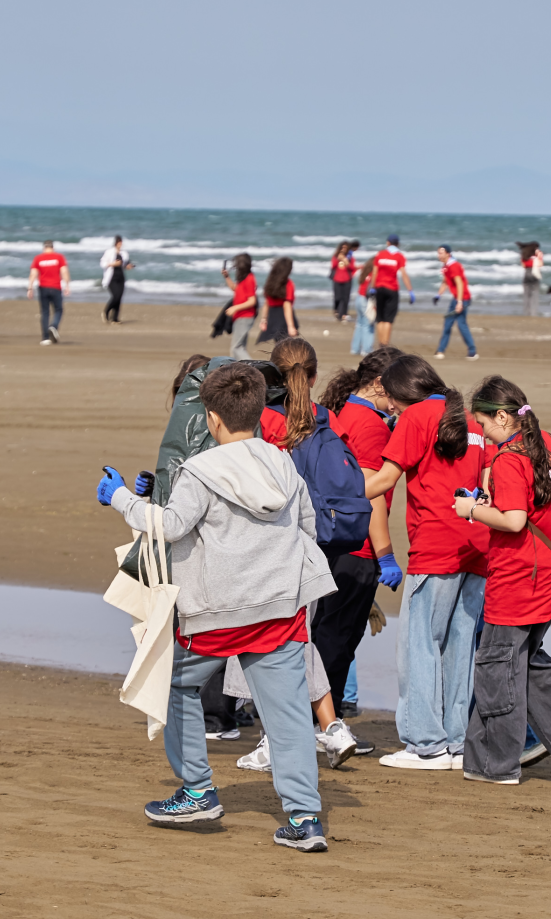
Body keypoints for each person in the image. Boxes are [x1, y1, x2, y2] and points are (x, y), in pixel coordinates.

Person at [97, 362, 336, 852]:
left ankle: (198, 790)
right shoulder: (281, 460)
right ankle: (306, 818)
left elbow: (169, 525)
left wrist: (120, 498)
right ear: (257, 412)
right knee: (289, 714)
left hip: (218, 611)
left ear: (211, 418)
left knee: (171, 683)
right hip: (279, 606)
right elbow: (308, 526)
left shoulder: (200, 470)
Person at [455, 375, 551, 784]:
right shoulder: (547, 443)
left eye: (485, 425)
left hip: (519, 580)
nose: (483, 435)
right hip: (549, 576)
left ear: (503, 418)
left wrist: (469, 509)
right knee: (525, 663)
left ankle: (494, 764)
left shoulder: (510, 458)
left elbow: (514, 520)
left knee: (496, 671)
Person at [232, 338, 361, 771]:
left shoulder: (266, 421)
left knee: (266, 646)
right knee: (295, 641)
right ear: (314, 375)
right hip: (313, 549)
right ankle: (328, 726)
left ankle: (286, 737)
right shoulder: (328, 420)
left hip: (270, 549)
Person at [363, 354, 490, 769]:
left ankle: (425, 743)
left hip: (435, 545)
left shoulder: (416, 417)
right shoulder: (472, 420)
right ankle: (455, 742)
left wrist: (331, 492)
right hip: (476, 545)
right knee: (459, 649)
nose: (392, 408)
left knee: (419, 647)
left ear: (404, 391)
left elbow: (383, 480)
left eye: (393, 399)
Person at [316, 346, 406, 718]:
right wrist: (385, 555)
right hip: (357, 549)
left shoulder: (346, 413)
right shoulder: (369, 426)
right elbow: (371, 494)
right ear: (381, 385)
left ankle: (326, 722)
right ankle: (323, 725)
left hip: (335, 543)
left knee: (330, 639)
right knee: (337, 644)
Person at [433, 245, 479, 361]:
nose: (439, 255)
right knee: (449, 323)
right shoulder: (447, 266)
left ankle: (472, 351)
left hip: (462, 298)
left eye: (441, 253)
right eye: (438, 253)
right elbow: (445, 282)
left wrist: (459, 302)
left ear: (448, 254)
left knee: (461, 324)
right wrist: (438, 295)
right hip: (457, 298)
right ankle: (440, 350)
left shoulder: (454, 266)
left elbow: (460, 284)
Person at [369, 235, 413, 348]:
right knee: (388, 319)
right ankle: (385, 344)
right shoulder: (399, 256)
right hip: (392, 289)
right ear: (397, 244)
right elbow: (403, 274)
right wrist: (410, 290)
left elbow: (375, 272)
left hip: (379, 288)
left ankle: (380, 344)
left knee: (380, 318)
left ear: (388, 243)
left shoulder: (380, 254)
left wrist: (373, 287)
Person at [27, 241, 69, 345]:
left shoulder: (38, 258)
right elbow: (64, 271)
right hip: (55, 287)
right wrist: (67, 285)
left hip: (43, 288)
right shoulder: (59, 257)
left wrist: (30, 288)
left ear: (44, 248)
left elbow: (33, 274)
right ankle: (53, 326)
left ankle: (45, 338)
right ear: (52, 248)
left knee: (45, 312)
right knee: (58, 309)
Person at [221, 253, 257, 360]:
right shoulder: (243, 279)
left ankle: (252, 369)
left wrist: (234, 308)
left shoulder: (250, 279)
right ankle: (239, 372)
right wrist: (227, 277)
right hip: (240, 316)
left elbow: (252, 301)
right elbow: (234, 288)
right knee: (239, 347)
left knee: (236, 348)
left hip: (245, 316)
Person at [257, 257, 298, 345]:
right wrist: (291, 326)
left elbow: (266, 303)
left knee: (278, 344)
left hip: (272, 316)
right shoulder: (288, 284)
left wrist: (264, 320)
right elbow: (287, 305)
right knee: (285, 346)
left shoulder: (270, 283)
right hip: (283, 317)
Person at [101, 235, 134, 324]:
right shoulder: (109, 252)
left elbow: (125, 264)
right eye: (119, 242)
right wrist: (113, 264)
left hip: (121, 277)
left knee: (119, 297)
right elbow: (103, 263)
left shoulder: (124, 253)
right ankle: (106, 311)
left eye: (121, 242)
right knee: (115, 296)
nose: (120, 244)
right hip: (112, 277)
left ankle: (115, 318)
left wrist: (128, 266)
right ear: (116, 243)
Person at [350, 259, 375, 356]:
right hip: (366, 299)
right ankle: (367, 349)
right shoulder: (374, 274)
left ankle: (355, 348)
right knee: (368, 324)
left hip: (359, 298)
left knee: (359, 324)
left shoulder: (365, 272)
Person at [330, 240, 358, 323]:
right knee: (337, 297)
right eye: (343, 248)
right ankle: (337, 310)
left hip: (347, 280)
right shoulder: (336, 257)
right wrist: (339, 258)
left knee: (345, 298)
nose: (344, 249)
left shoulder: (350, 258)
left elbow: (352, 268)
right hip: (337, 279)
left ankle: (343, 314)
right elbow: (333, 265)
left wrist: (346, 262)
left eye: (346, 248)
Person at [517, 242, 543, 316]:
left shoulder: (524, 254)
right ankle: (533, 313)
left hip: (527, 273)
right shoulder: (538, 254)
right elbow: (540, 264)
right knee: (534, 294)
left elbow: (523, 265)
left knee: (526, 295)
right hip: (535, 274)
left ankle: (526, 313)